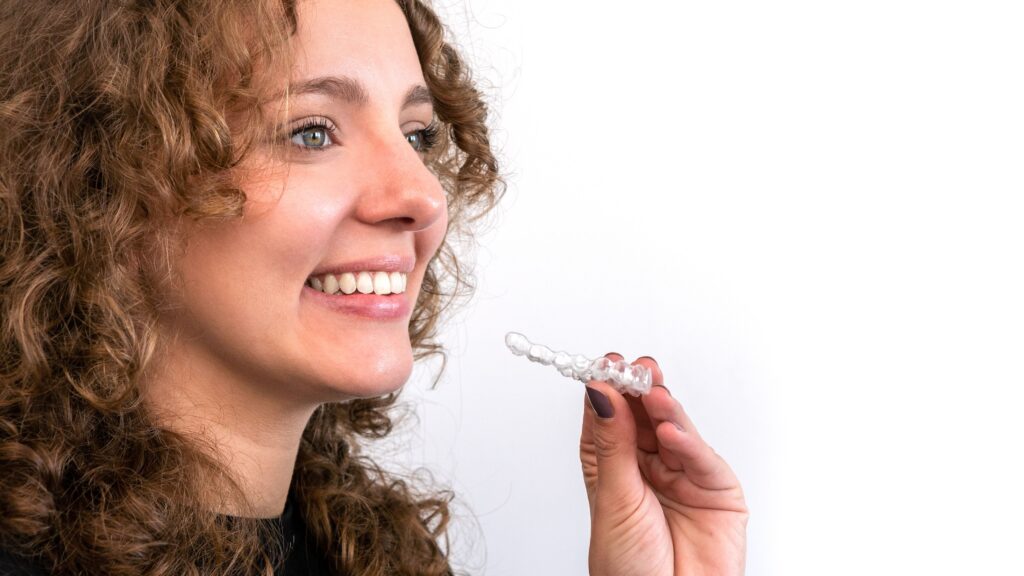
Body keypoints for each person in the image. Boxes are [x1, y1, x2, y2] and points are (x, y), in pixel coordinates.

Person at [0, 0, 748, 574]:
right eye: (312, 133)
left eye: (418, 135)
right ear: (102, 187)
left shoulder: (377, 556)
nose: (421, 194)